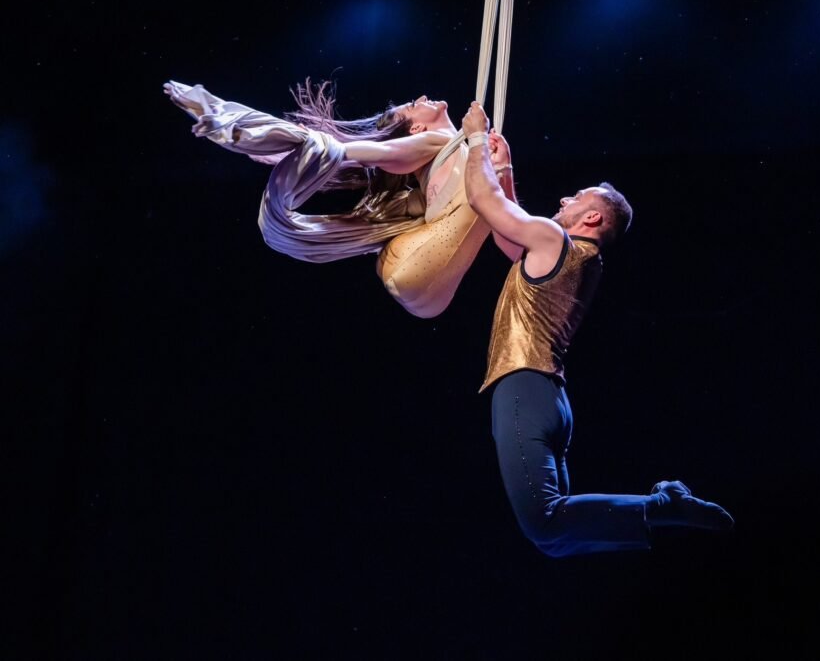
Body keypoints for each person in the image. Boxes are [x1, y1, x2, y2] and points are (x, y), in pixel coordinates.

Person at [461, 101, 735, 558]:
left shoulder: (557, 242)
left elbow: (483, 203)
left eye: (577, 198)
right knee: (554, 538)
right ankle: (657, 516)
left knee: (547, 523)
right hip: (547, 397)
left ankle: (662, 505)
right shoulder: (578, 258)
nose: (564, 200)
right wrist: (502, 165)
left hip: (523, 387)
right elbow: (507, 233)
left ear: (593, 219)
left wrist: (473, 139)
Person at [163, 80, 519, 318]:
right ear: (417, 128)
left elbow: (511, 237)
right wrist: (240, 130)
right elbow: (346, 150)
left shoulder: (464, 150)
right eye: (414, 105)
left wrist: (503, 170)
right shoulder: (434, 144)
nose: (422, 98)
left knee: (486, 201)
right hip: (417, 267)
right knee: (481, 198)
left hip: (416, 269)